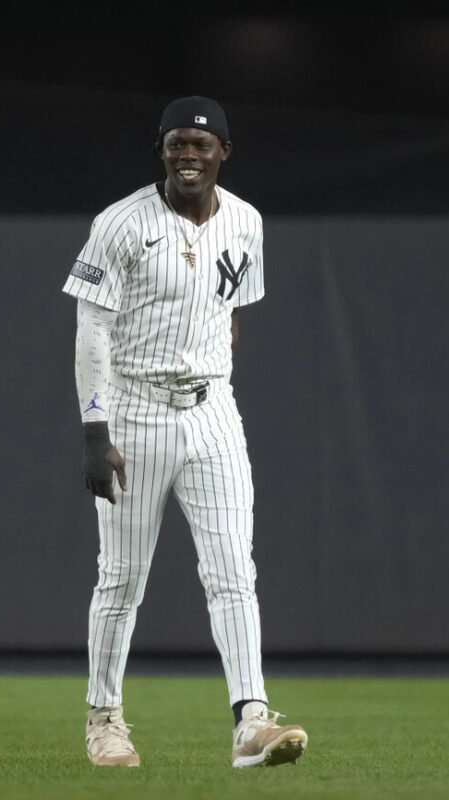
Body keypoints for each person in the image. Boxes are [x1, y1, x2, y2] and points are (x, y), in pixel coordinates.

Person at [61, 95, 307, 769]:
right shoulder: (120, 223)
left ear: (224, 152)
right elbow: (92, 331)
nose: (188, 154)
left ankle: (251, 720)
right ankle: (104, 719)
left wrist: (213, 385)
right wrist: (94, 430)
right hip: (135, 413)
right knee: (121, 579)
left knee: (234, 571)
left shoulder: (247, 223)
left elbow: (229, 311)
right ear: (162, 151)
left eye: (201, 144)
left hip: (211, 410)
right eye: (177, 143)